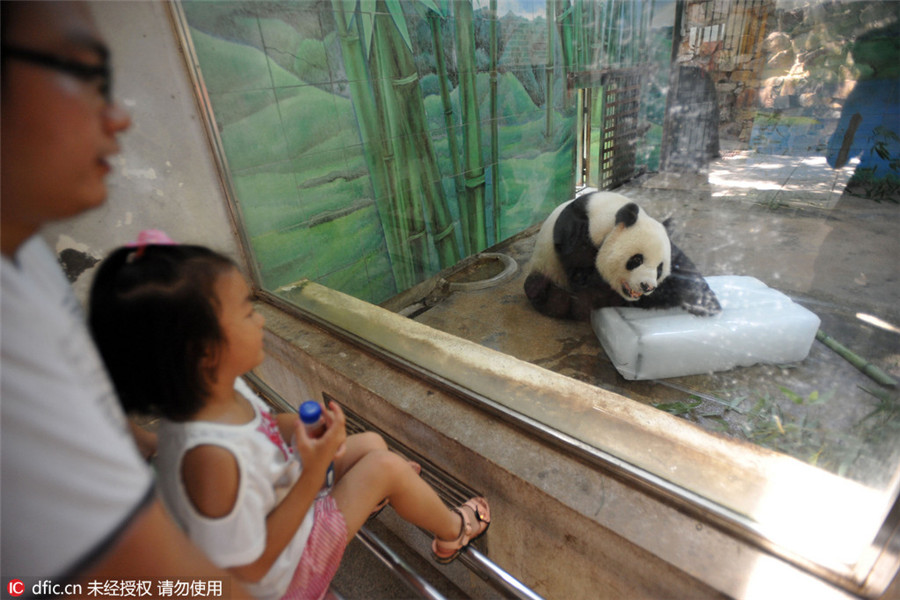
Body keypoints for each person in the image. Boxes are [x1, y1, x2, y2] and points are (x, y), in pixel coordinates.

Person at [0, 2, 251, 596]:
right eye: (85, 72)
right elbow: (169, 586)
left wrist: (155, 447)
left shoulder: (26, 251)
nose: (119, 118)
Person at [87, 239, 492, 600]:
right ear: (206, 352)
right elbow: (247, 570)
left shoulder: (216, 390)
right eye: (246, 312)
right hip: (281, 576)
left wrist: (299, 428)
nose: (260, 319)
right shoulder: (208, 459)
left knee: (369, 445)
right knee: (386, 468)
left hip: (278, 501)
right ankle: (453, 533)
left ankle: (369, 498)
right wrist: (314, 474)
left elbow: (260, 425)